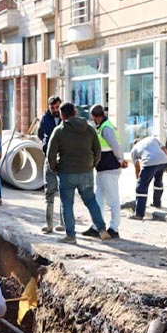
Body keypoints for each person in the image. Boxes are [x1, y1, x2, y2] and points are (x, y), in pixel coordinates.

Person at [46, 102, 112, 244]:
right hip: (86, 172)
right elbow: (97, 151)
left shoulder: (59, 130)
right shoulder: (89, 129)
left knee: (67, 204)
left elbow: (50, 154)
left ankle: (71, 235)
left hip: (66, 173)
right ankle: (101, 229)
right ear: (75, 113)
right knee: (91, 200)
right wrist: (92, 165)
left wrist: (55, 168)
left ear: (62, 115)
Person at [90, 105, 124, 239]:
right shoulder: (103, 127)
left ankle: (114, 228)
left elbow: (115, 145)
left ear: (96, 117)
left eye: (93, 118)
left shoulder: (106, 128)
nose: (93, 121)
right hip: (103, 168)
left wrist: (121, 159)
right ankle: (96, 226)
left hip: (109, 168)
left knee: (113, 199)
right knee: (99, 199)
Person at [128, 134, 167, 220]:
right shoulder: (152, 139)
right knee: (158, 181)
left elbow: (137, 168)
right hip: (164, 161)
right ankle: (157, 203)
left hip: (150, 163)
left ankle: (139, 214)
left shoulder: (133, 150)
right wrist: (163, 159)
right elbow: (165, 150)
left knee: (141, 188)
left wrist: (139, 181)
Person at [38, 97, 62, 234]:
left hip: (63, 159)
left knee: (64, 191)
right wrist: (46, 146)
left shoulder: (65, 118)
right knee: (49, 190)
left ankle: (63, 223)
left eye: (57, 107)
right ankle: (49, 224)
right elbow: (40, 133)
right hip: (49, 158)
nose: (54, 110)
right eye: (52, 108)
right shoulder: (45, 118)